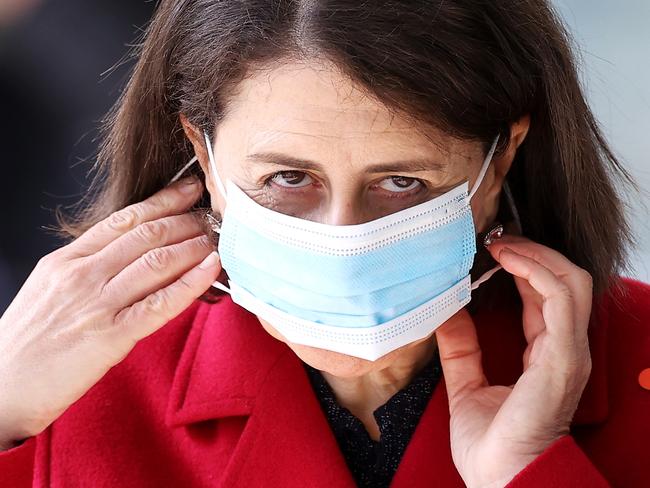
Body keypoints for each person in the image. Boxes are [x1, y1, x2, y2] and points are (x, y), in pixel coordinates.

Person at [0, 1, 648, 486]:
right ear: (201, 150)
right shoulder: (71, 391)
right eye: (288, 178)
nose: (344, 240)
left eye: (402, 181)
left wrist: (530, 471)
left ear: (500, 158)